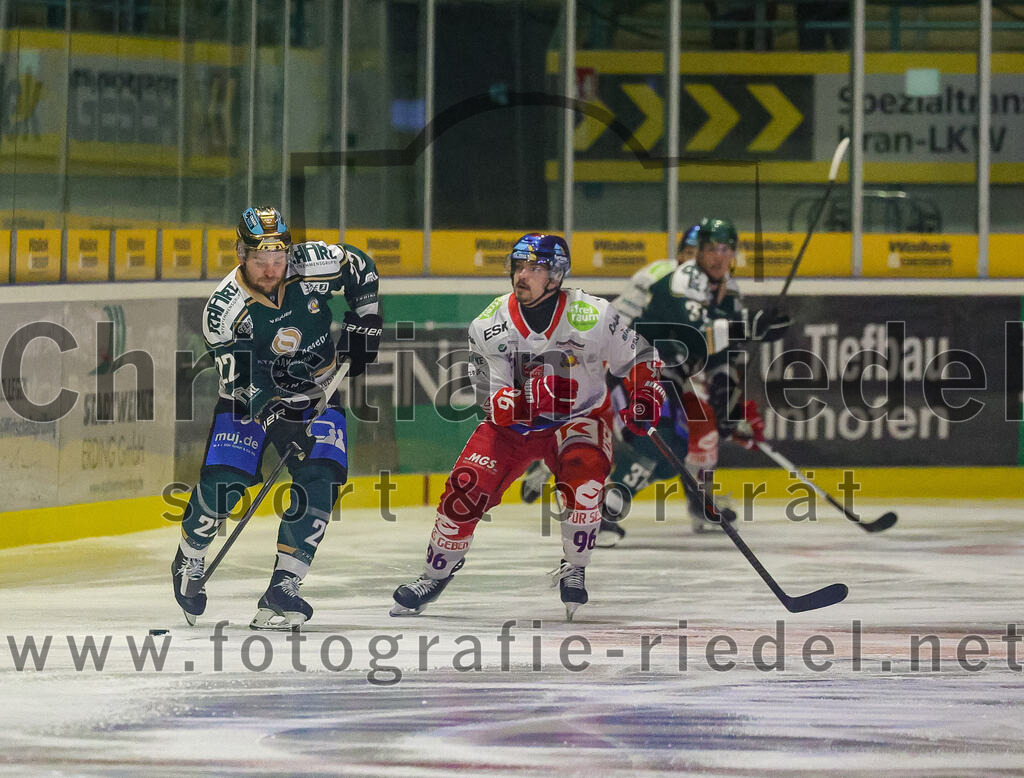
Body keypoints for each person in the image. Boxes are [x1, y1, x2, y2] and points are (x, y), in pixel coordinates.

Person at [390, 233, 663, 621]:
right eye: (518, 266)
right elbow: (494, 403)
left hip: (579, 416)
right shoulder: (490, 325)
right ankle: (435, 575)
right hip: (515, 428)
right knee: (464, 490)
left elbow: (641, 356)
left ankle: (575, 565)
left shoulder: (593, 314)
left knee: (585, 485)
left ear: (555, 276)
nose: (522, 275)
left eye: (534, 268)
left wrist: (645, 394)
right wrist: (533, 399)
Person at [171, 206, 382, 630]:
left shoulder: (311, 263)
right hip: (249, 398)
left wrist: (366, 319)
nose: (270, 269)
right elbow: (244, 381)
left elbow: (360, 265)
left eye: (278, 258)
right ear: (239, 253)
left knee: (321, 475)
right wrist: (277, 421)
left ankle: (284, 586)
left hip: (314, 390)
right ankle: (191, 554)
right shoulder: (223, 311)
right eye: (258, 259)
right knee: (224, 484)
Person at [608, 216, 789, 540]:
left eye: (725, 249)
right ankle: (600, 513)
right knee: (657, 446)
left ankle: (699, 501)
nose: (717, 256)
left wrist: (729, 406)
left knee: (676, 451)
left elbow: (721, 355)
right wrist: (752, 326)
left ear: (733, 253)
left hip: (670, 380)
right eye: (709, 249)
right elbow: (698, 335)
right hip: (636, 372)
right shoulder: (683, 278)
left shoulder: (728, 292)